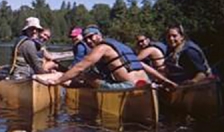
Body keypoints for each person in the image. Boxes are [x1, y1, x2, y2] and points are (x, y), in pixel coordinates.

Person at [46, 26, 174, 89]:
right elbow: (143, 65)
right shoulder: (120, 46)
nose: (89, 41)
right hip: (146, 83)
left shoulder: (101, 48)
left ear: (99, 35)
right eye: (86, 39)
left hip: (129, 86)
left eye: (92, 36)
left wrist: (58, 81)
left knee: (86, 76)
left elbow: (80, 67)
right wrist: (165, 81)